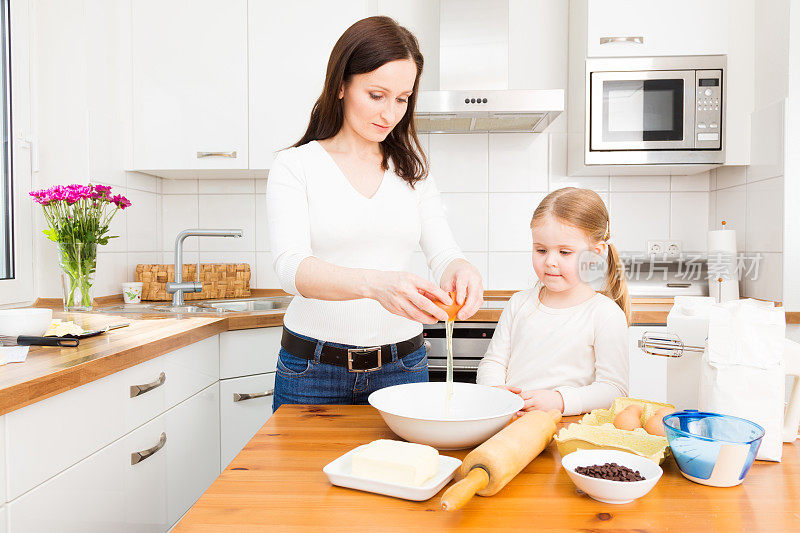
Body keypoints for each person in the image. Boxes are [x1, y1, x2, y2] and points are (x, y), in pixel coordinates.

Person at [267, 16, 483, 411]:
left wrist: (461, 269)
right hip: (311, 370)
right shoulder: (295, 165)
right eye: (377, 95)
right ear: (341, 86)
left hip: (403, 366)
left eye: (402, 98)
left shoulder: (413, 170)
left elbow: (444, 253)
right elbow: (290, 269)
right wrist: (375, 284)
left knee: (408, 474)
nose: (390, 113)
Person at [476, 187, 630, 416]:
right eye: (541, 250)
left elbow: (614, 390)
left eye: (564, 252)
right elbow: (493, 363)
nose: (550, 261)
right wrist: (495, 391)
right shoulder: (519, 303)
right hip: (510, 424)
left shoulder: (604, 314)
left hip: (568, 429)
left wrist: (560, 400)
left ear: (595, 254)